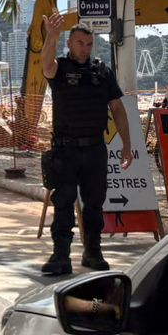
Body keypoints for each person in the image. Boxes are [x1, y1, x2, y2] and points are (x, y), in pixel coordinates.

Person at [40, 15, 137, 276]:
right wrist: (51, 35)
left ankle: (93, 252)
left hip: (95, 149)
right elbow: (45, 65)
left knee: (95, 204)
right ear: (70, 43)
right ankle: (61, 255)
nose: (85, 48)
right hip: (66, 149)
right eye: (80, 43)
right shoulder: (59, 69)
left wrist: (127, 145)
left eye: (89, 44)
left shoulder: (102, 72)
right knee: (64, 203)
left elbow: (118, 108)